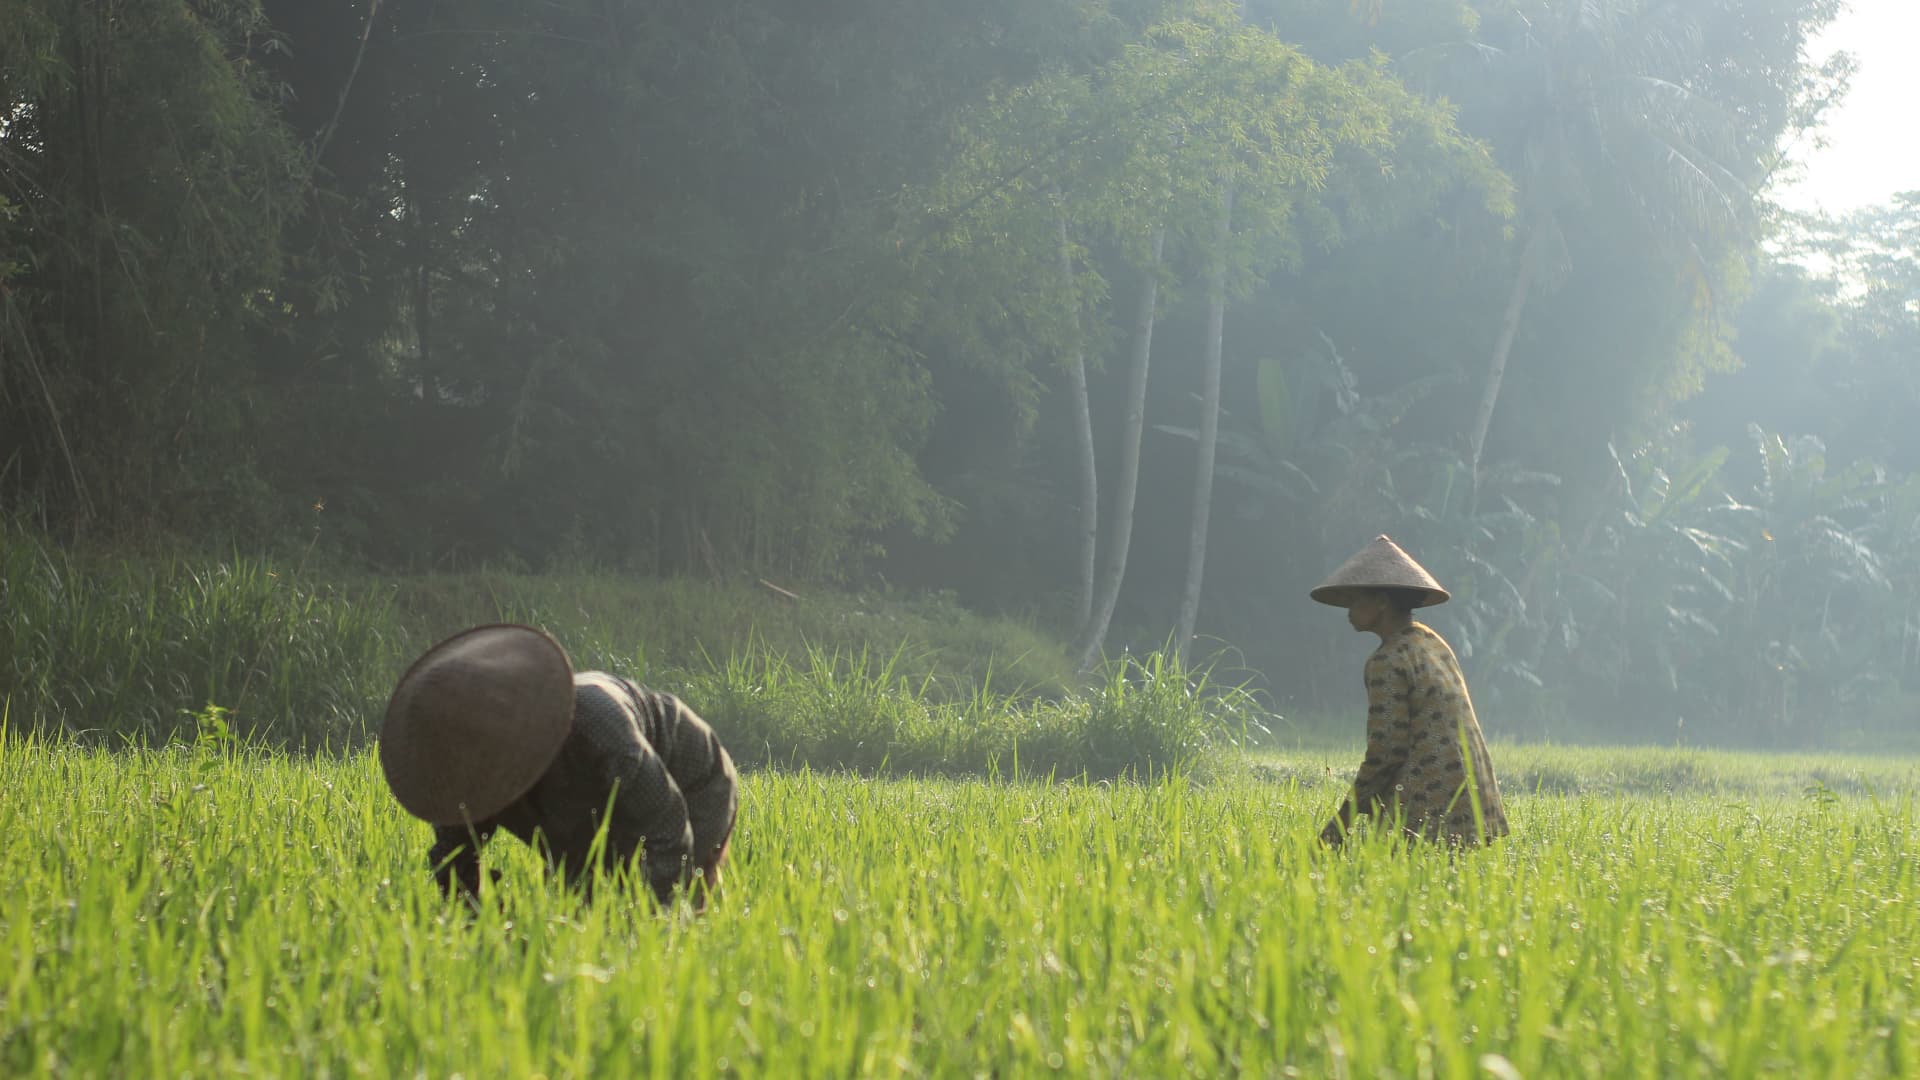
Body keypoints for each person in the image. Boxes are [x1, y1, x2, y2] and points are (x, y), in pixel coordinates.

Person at [378, 623, 737, 906]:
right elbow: (454, 859)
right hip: (586, 808)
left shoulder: (597, 723)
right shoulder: (469, 777)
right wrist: (480, 918)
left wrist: (652, 923)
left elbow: (668, 827)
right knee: (588, 911)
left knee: (671, 901)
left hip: (688, 779)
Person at [1310, 535, 1508, 848]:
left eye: (1358, 599)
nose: (1349, 609)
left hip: (1428, 806)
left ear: (1382, 603)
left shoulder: (1387, 660)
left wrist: (1342, 820)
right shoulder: (1430, 642)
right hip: (1472, 799)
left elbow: (1387, 750)